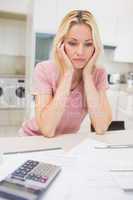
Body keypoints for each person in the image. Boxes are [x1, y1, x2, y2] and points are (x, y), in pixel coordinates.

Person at [21, 10, 112, 137]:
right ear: (61, 44)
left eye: (88, 44)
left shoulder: (98, 74)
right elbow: (47, 129)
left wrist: (87, 76)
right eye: (72, 43)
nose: (80, 52)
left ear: (95, 47)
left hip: (64, 141)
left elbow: (101, 127)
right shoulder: (44, 70)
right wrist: (68, 73)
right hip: (33, 138)